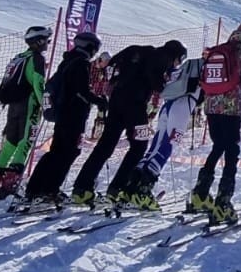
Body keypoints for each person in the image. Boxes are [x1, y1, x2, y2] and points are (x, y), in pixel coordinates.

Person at [70, 39, 187, 207]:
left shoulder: (136, 49)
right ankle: (119, 188)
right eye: (179, 61)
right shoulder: (163, 57)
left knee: (105, 144)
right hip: (135, 104)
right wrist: (163, 86)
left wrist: (115, 82)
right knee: (140, 145)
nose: (176, 65)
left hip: (116, 100)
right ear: (177, 55)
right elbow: (156, 82)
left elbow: (110, 65)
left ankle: (82, 187)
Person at [188, 22, 241, 221]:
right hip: (231, 108)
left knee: (217, 147)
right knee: (231, 151)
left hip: (211, 107)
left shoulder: (219, 49)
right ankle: (223, 202)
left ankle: (200, 194)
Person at [24, 32, 106, 204]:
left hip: (62, 113)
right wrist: (99, 101)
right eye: (95, 49)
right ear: (90, 47)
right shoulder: (81, 63)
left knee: (56, 152)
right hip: (73, 115)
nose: (95, 53)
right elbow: (81, 90)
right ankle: (50, 189)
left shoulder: (67, 61)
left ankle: (34, 188)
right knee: (68, 153)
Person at [123, 53, 208, 210]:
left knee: (154, 146)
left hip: (167, 106)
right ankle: (144, 190)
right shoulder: (204, 69)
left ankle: (131, 186)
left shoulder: (186, 67)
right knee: (168, 145)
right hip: (182, 107)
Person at [0, 24, 52, 200]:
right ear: (39, 41)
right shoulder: (36, 58)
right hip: (30, 105)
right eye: (46, 40)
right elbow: (38, 83)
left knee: (10, 142)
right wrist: (46, 106)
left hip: (13, 105)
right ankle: (10, 186)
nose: (48, 43)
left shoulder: (19, 57)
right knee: (25, 142)